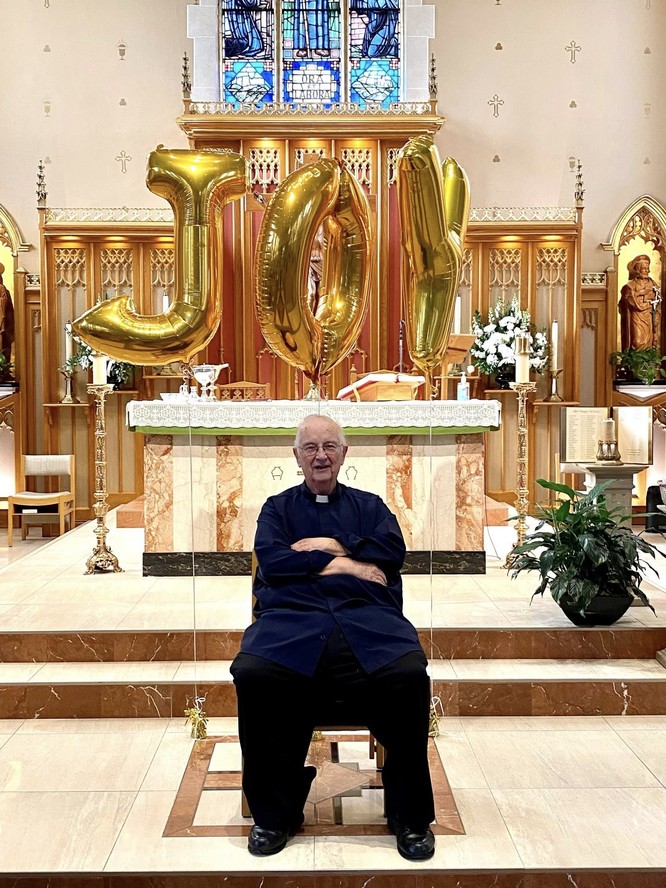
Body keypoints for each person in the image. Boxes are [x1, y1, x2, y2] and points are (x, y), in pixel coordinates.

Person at [230, 414, 435, 861]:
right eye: (310, 448)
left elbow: (391, 553)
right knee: (254, 672)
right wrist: (347, 563)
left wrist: (331, 543)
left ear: (344, 454)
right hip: (292, 623)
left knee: (407, 673)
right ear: (296, 456)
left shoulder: (371, 506)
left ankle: (409, 816)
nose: (320, 456)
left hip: (367, 623)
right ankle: (274, 814)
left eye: (329, 447)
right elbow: (274, 563)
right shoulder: (277, 509)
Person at [619, 253, 662, 352]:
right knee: (637, 341)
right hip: (637, 316)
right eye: (644, 268)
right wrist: (642, 295)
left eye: (648, 268)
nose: (647, 271)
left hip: (649, 316)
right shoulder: (631, 285)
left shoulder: (653, 284)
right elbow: (629, 299)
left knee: (650, 342)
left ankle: (648, 363)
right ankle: (636, 363)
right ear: (638, 269)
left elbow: (658, 298)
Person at [0, 263, 15, 370]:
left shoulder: (2, 289)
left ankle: (3, 368)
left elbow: (6, 304)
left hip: (2, 322)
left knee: (3, 343)